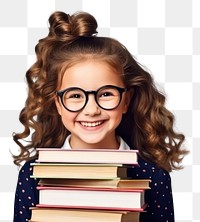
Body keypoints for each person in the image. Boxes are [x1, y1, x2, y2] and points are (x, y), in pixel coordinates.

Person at [12, 11, 188, 222]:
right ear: (58, 103)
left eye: (105, 94)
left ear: (125, 100)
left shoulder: (153, 176)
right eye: (75, 95)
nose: (91, 109)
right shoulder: (33, 174)